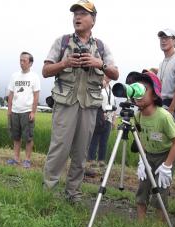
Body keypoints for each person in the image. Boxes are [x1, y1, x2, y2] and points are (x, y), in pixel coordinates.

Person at [42, 0, 119, 203]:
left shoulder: (101, 47)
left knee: (81, 151)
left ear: (93, 20)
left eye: (82, 14)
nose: (77, 17)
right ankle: (48, 191)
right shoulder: (63, 42)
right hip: (65, 104)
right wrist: (64, 63)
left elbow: (116, 73)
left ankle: (73, 194)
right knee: (59, 147)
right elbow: (46, 70)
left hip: (89, 106)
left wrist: (99, 63)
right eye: (75, 13)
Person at [127, 71, 175, 221]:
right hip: (148, 155)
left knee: (160, 191)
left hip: (165, 156)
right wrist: (141, 160)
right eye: (136, 89)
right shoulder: (138, 116)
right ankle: (141, 226)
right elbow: (140, 137)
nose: (138, 93)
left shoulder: (163, 116)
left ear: (155, 95)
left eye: (144, 89)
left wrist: (167, 166)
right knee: (142, 189)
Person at [7, 52, 41, 169]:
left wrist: (33, 112)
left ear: (30, 63)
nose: (21, 63)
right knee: (16, 137)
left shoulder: (34, 77)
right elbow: (11, 93)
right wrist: (9, 109)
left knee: (28, 137)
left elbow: (36, 95)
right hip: (15, 111)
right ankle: (16, 158)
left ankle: (27, 159)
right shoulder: (14, 76)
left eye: (24, 61)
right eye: (20, 60)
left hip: (27, 111)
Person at [85, 75, 116, 177]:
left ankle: (101, 160)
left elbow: (114, 105)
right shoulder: (99, 87)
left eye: (110, 76)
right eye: (107, 75)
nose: (109, 77)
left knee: (104, 141)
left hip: (108, 118)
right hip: (98, 117)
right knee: (95, 139)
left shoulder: (111, 89)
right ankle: (91, 160)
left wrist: (114, 120)